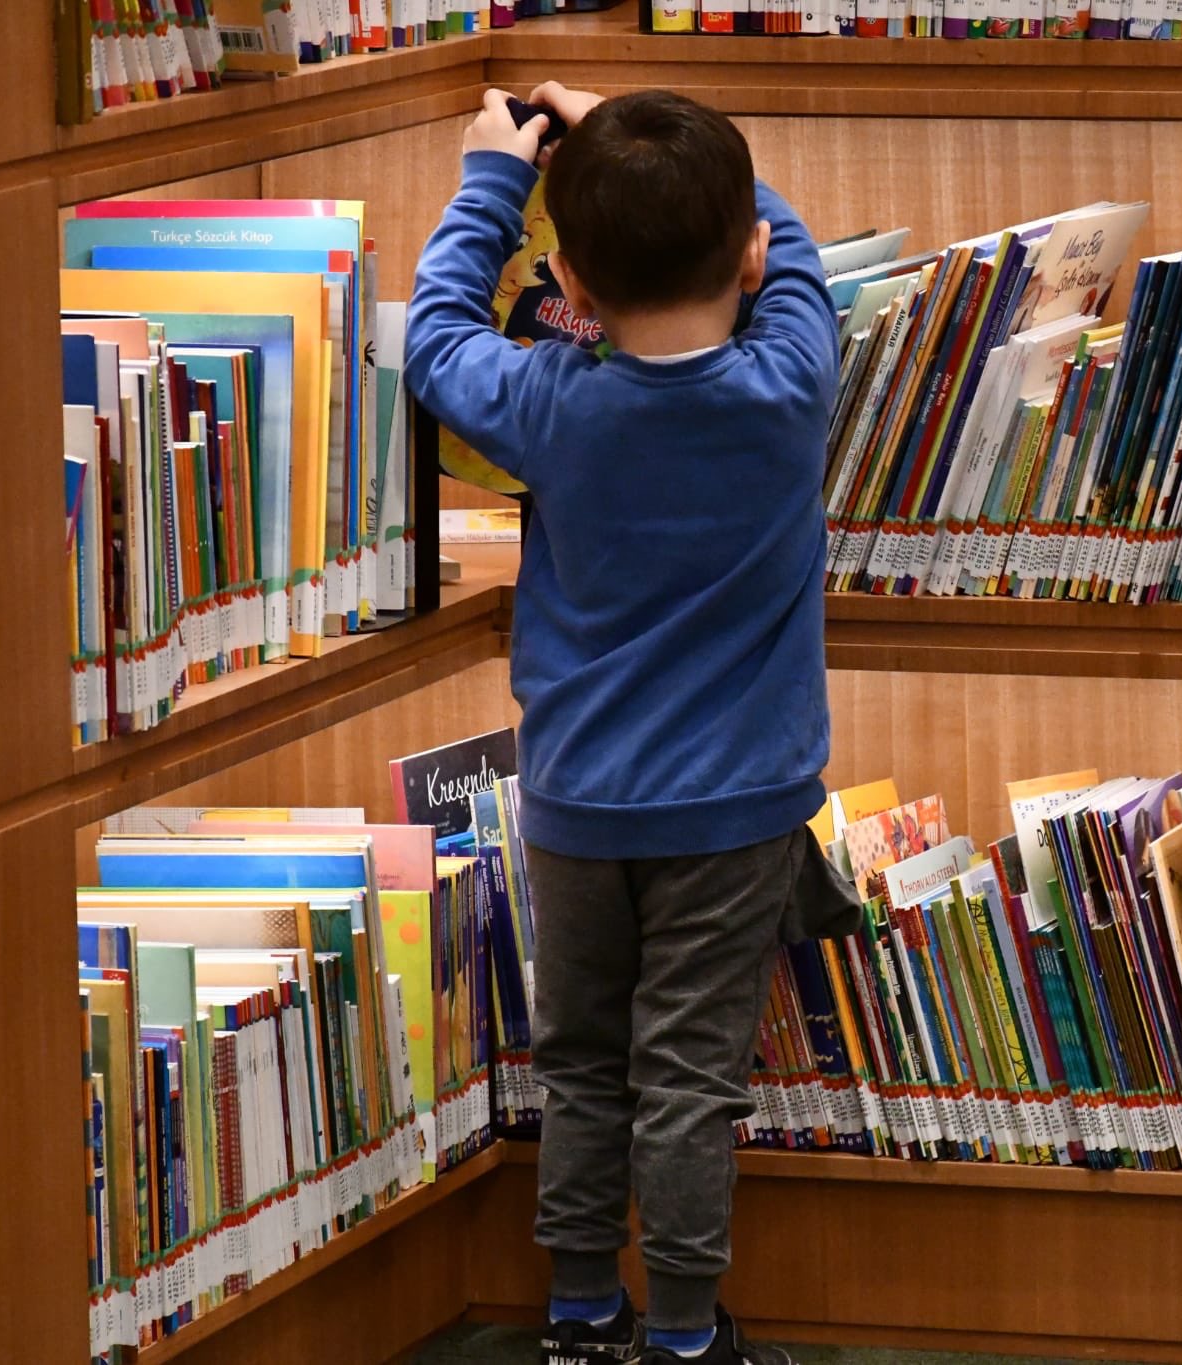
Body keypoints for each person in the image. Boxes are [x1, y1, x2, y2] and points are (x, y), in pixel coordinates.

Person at [406, 82, 855, 1365]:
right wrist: (645, 138)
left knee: (583, 1063)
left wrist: (495, 181)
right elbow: (793, 251)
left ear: (568, 281)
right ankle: (683, 1337)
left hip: (577, 805)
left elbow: (435, 338)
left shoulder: (551, 402)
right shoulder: (790, 383)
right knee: (689, 1079)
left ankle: (577, 1313)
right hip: (735, 814)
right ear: (749, 256)